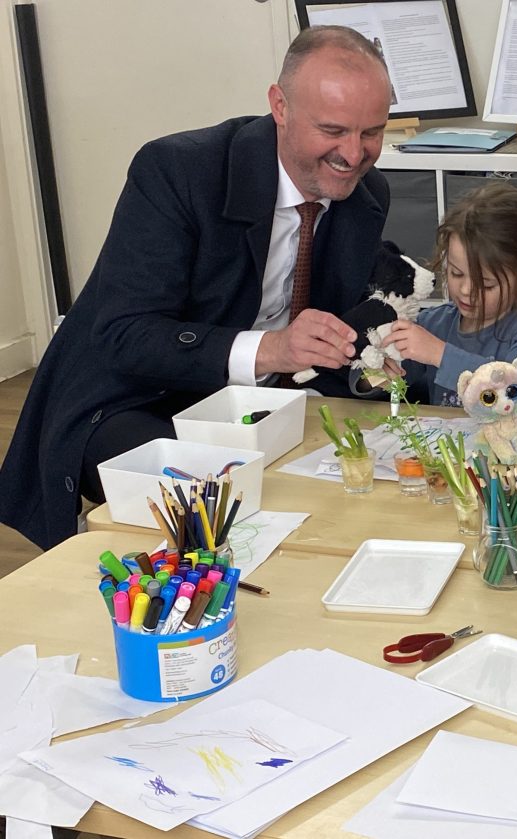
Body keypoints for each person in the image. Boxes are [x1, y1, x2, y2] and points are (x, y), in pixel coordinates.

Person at [0, 25, 393, 550]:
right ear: (279, 106)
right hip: (134, 397)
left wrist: (369, 363)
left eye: (372, 132)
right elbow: (124, 335)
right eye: (333, 130)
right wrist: (271, 350)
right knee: (220, 505)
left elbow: (333, 326)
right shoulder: (177, 170)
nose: (355, 153)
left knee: (345, 488)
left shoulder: (368, 194)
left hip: (255, 403)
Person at [376, 182, 517, 413]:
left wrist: (440, 354)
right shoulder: (435, 324)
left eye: (485, 285)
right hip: (453, 446)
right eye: (456, 273)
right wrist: (376, 369)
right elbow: (384, 378)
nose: (466, 290)